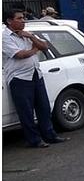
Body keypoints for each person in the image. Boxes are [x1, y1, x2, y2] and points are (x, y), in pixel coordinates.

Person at [2, 8, 68, 148]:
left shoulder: (27, 34)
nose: (23, 20)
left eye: (23, 17)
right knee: (26, 111)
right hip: (19, 78)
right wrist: (34, 50)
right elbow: (20, 55)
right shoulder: (5, 38)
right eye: (19, 18)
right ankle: (34, 140)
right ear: (9, 21)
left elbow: (44, 46)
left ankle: (50, 135)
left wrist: (31, 37)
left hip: (35, 74)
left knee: (43, 107)